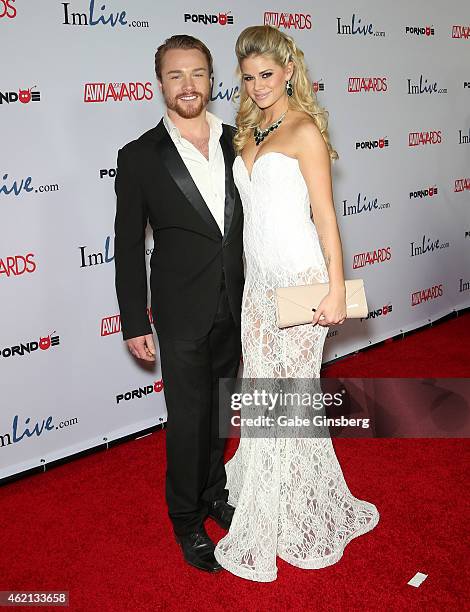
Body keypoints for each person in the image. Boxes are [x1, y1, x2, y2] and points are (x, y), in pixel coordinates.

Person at [214, 25, 380, 582]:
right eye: (248, 77)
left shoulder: (306, 130)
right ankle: (271, 493)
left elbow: (326, 218)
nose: (259, 86)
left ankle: (299, 507)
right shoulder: (246, 130)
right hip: (257, 286)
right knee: (263, 388)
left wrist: (336, 286)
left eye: (267, 75)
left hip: (303, 281)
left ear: (288, 71)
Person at [114, 35, 244, 573]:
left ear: (212, 79)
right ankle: (186, 519)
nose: (188, 85)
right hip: (179, 308)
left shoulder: (241, 140)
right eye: (176, 75)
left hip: (235, 303)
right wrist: (132, 319)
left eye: (198, 73)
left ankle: (215, 492)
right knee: (187, 417)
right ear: (160, 83)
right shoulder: (140, 156)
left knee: (218, 409)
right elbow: (126, 245)